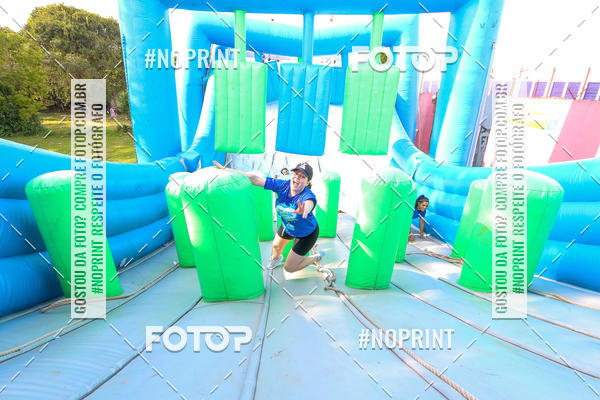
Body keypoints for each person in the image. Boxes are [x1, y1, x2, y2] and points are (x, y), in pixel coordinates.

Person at [213, 160, 321, 273]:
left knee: (289, 268)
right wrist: (226, 169)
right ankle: (277, 259)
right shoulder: (282, 186)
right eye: (296, 174)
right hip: (289, 226)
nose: (298, 177)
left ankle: (316, 258)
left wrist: (305, 210)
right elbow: (254, 179)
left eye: (302, 176)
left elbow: (309, 203)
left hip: (307, 233)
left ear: (307, 182)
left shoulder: (307, 195)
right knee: (276, 247)